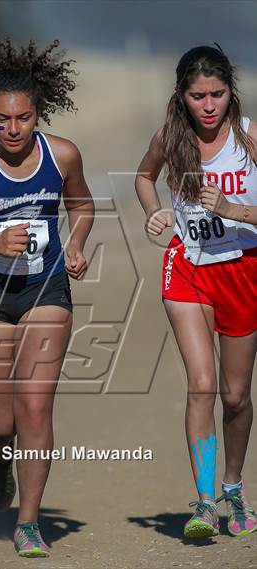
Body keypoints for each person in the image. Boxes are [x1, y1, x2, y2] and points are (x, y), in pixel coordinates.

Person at [0, 39, 94, 557]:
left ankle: (29, 522)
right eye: (0, 120)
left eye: (23, 118)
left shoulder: (62, 154)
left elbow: (81, 207)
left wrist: (76, 244)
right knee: (2, 421)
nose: (12, 130)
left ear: (38, 114)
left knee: (35, 407)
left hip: (45, 287)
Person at [135, 45, 257, 538]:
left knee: (235, 396)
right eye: (197, 96)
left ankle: (232, 486)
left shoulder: (248, 137)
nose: (208, 106)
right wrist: (154, 213)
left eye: (217, 95)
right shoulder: (171, 136)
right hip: (188, 269)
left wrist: (236, 209)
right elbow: (145, 177)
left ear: (231, 91)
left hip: (244, 270)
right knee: (202, 384)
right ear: (181, 96)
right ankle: (205, 501)